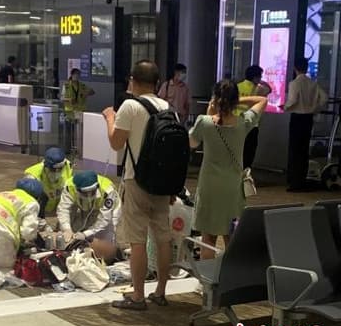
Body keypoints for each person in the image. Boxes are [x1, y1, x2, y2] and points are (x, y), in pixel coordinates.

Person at [102, 59, 172, 311]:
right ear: (156, 83)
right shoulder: (167, 106)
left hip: (137, 180)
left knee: (138, 240)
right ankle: (161, 292)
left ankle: (138, 296)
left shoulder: (130, 106)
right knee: (163, 238)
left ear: (133, 80)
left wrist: (110, 118)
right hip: (164, 182)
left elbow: (116, 143)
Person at [189, 80, 268, 258]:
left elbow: (191, 143)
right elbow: (262, 100)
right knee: (231, 235)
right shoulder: (243, 123)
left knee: (208, 237)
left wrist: (211, 111)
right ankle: (229, 278)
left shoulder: (205, 122)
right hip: (233, 188)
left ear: (215, 99)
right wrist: (237, 101)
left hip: (209, 186)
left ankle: (206, 281)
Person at [284, 57, 328, 192]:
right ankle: (301, 180)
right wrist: (315, 108)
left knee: (294, 149)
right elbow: (324, 98)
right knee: (303, 150)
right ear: (306, 67)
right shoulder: (313, 83)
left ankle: (294, 181)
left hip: (297, 118)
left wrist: (285, 107)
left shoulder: (294, 84)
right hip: (308, 119)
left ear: (295, 68)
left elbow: (292, 101)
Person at [57, 171, 122, 263]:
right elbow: (64, 210)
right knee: (72, 235)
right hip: (83, 207)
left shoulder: (108, 190)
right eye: (85, 193)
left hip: (109, 211)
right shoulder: (69, 187)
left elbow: (104, 220)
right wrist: (67, 228)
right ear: (77, 189)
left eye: (92, 192)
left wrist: (85, 234)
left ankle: (108, 260)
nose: (88, 196)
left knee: (104, 240)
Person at [24, 147, 72, 219]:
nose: (57, 172)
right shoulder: (32, 175)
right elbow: (29, 204)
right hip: (40, 210)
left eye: (60, 169)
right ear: (46, 165)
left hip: (59, 209)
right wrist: (41, 222)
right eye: (53, 169)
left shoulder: (67, 166)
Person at [237, 65, 264, 169]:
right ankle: (245, 173)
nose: (260, 79)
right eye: (260, 77)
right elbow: (269, 89)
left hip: (237, 122)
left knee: (238, 149)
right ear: (255, 77)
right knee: (249, 151)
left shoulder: (237, 86)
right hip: (252, 124)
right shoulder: (258, 89)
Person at [63, 68, 95, 154]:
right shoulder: (66, 85)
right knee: (69, 131)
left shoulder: (82, 85)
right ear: (72, 75)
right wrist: (69, 100)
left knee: (79, 131)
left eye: (78, 75)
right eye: (76, 74)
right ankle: (68, 149)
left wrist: (87, 93)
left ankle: (79, 149)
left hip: (80, 111)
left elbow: (92, 91)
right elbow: (62, 98)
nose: (77, 76)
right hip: (70, 111)